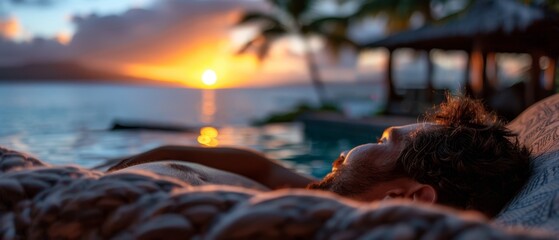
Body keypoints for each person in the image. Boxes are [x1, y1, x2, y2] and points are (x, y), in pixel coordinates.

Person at [108, 95, 531, 217]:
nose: (349, 151)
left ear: (410, 198)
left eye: (385, 141)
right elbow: (259, 164)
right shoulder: (322, 196)